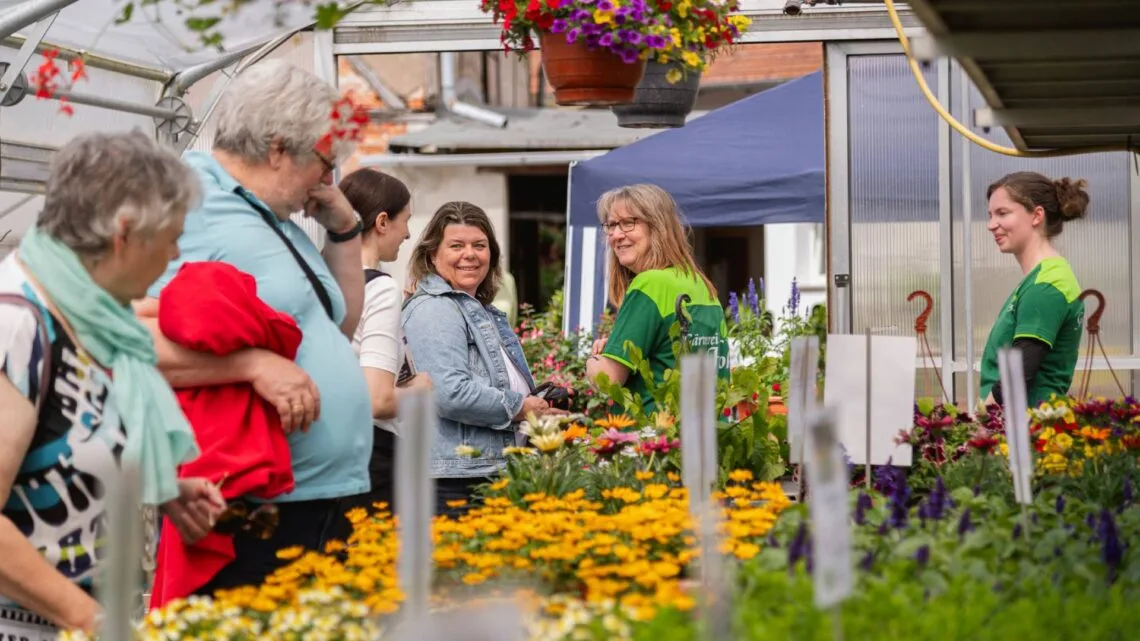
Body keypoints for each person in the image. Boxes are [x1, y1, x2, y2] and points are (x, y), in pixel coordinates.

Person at [136, 59, 374, 591]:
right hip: (254, 505)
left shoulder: (274, 215)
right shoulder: (190, 202)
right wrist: (251, 364)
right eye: (324, 159)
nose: (328, 177)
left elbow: (337, 325)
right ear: (276, 148)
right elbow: (118, 338)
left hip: (318, 497)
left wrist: (344, 232)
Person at [0, 131, 224, 635]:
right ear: (125, 232)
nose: (174, 255)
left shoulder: (92, 319)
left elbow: (61, 452)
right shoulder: (16, 323)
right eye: (171, 237)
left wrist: (155, 488)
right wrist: (88, 619)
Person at [402, 202, 564, 514]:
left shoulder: (475, 309)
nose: (470, 254)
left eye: (480, 245)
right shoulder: (436, 308)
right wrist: (521, 407)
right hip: (457, 479)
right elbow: (450, 393)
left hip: (483, 471)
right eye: (456, 246)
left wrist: (537, 406)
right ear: (432, 254)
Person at [585, 184, 729, 414]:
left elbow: (609, 379)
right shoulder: (701, 284)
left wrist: (594, 361)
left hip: (653, 439)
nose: (616, 235)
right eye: (611, 225)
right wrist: (612, 351)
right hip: (701, 432)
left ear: (658, 226)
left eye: (628, 223)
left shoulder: (650, 284)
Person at [339, 168, 432, 513]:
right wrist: (418, 391)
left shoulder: (319, 280)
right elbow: (378, 401)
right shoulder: (379, 289)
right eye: (405, 221)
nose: (407, 234)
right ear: (382, 222)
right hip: (373, 454)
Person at [979, 171, 1088, 407]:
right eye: (990, 215)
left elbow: (1019, 372)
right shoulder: (1041, 279)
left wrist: (980, 420)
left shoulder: (1047, 285)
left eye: (1002, 213)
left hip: (1028, 430)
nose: (991, 225)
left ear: (1037, 215)